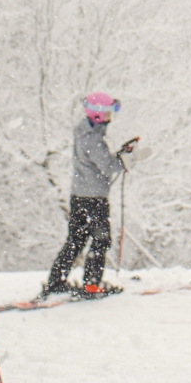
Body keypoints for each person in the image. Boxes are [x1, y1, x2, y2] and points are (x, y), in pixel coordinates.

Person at [44, 93, 137, 296]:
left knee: (76, 240)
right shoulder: (93, 139)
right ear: (97, 115)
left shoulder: (83, 134)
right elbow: (107, 165)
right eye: (107, 113)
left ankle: (56, 282)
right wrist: (127, 159)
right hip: (93, 198)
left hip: (80, 195)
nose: (110, 117)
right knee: (100, 240)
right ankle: (92, 285)